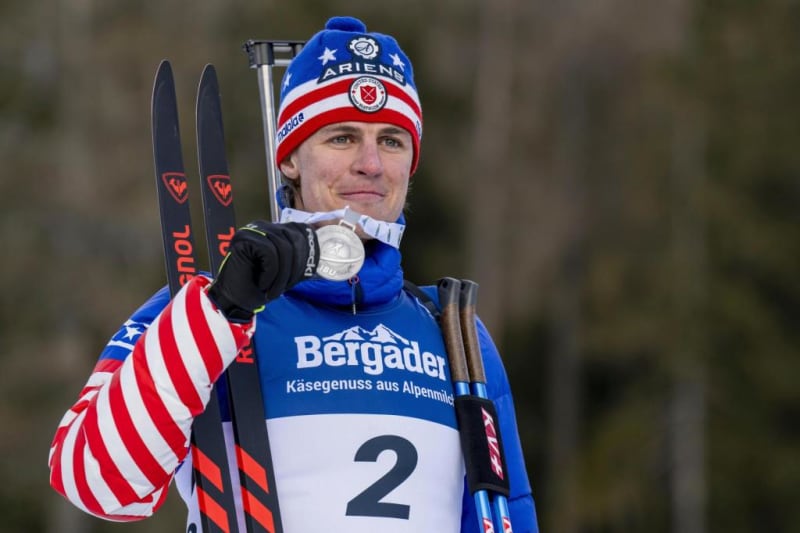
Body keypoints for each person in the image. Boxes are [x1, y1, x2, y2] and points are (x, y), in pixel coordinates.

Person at [48, 16, 538, 533]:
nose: (371, 163)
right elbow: (93, 481)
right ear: (289, 160)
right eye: (343, 137)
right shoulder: (205, 304)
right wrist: (219, 313)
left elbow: (508, 514)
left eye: (392, 141)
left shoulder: (455, 335)